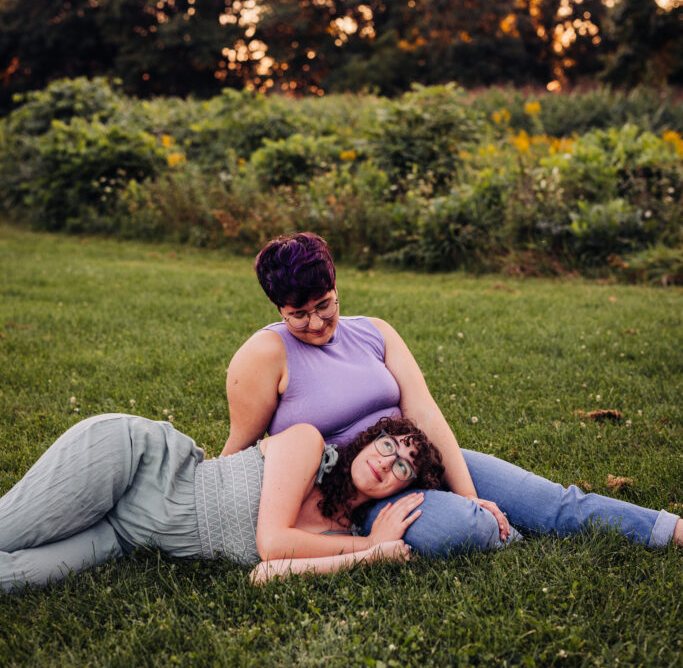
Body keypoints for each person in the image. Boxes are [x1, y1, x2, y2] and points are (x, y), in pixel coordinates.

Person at [223, 232, 682, 554]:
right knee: (461, 529)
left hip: (416, 458)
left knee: (552, 501)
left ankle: (670, 530)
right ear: (277, 308)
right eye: (297, 315)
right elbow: (240, 447)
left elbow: (423, 411)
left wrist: (468, 492)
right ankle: (500, 532)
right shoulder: (265, 355)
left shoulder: (375, 333)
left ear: (337, 286)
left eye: (325, 306)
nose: (317, 323)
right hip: (358, 496)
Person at [0, 412, 444, 593]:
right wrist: (372, 547)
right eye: (389, 446)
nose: (388, 464)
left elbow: (265, 574)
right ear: (369, 442)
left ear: (402, 490)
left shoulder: (338, 537)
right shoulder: (308, 446)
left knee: (12, 579)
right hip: (133, 462)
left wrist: (368, 555)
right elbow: (272, 542)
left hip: (123, 535)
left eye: (404, 468)